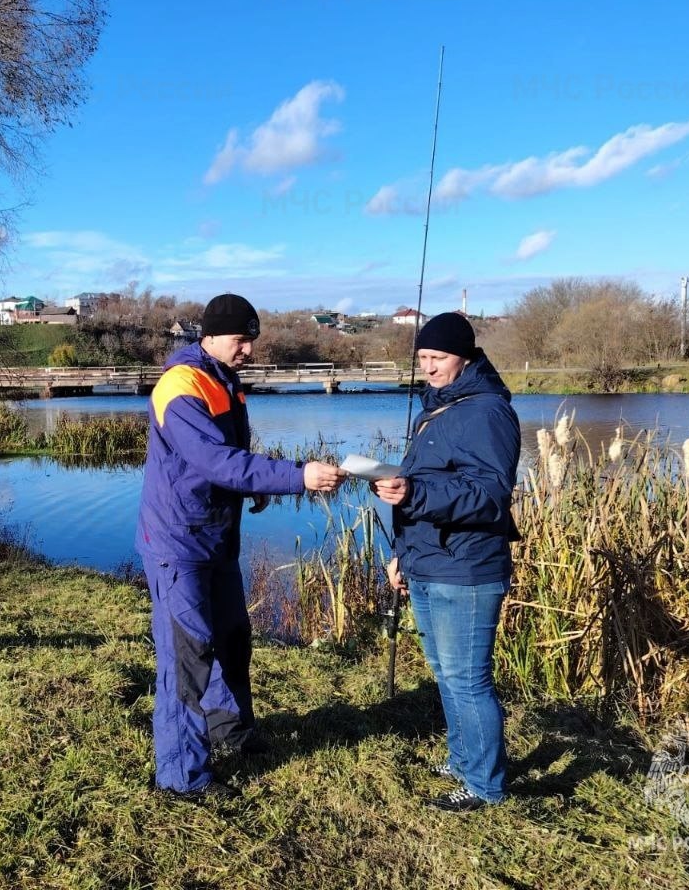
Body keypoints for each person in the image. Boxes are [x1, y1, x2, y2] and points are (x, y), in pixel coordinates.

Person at [137, 293, 345, 801]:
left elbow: (233, 460)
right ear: (209, 337)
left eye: (252, 340)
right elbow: (215, 461)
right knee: (188, 656)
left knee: (231, 639)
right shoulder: (179, 386)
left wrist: (252, 488)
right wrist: (297, 477)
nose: (248, 350)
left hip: (216, 537)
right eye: (240, 340)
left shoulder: (225, 381)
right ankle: (182, 776)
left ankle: (232, 729)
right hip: (177, 542)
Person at [373, 312, 520, 812]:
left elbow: (489, 497)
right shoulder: (437, 409)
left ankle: (484, 786)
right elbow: (426, 489)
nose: (429, 368)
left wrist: (413, 491)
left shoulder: (487, 413)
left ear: (465, 355)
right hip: (429, 560)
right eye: (422, 359)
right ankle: (464, 761)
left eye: (438, 358)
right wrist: (401, 555)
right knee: (444, 671)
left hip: (468, 567)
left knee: (468, 679)